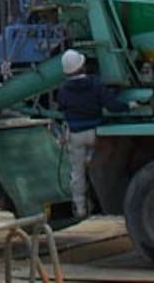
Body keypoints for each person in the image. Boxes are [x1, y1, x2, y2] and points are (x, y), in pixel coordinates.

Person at [54, 49, 124, 220]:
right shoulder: (95, 84)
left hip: (76, 135)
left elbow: (60, 110)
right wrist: (129, 106)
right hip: (96, 134)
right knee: (100, 164)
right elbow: (112, 105)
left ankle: (80, 209)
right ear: (83, 66)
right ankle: (102, 200)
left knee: (77, 173)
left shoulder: (63, 90)